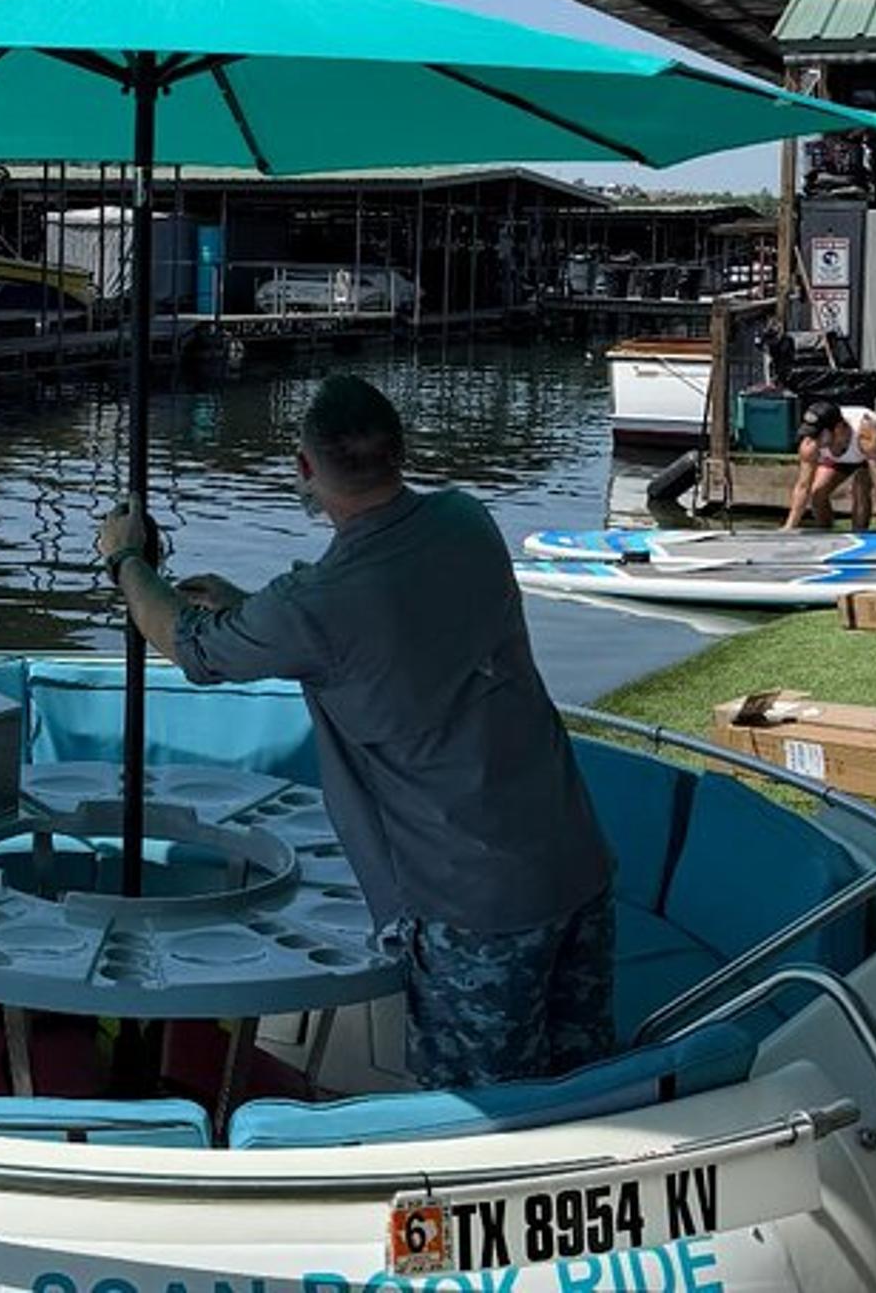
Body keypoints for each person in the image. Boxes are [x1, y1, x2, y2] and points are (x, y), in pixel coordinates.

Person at [94, 375, 615, 1089]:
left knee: (484, 1127)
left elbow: (187, 642)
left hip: (477, 910)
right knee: (584, 1089)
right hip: (574, 864)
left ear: (305, 469)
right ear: (403, 451)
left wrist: (127, 559)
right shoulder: (468, 522)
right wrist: (249, 610)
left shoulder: (317, 606)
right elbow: (391, 636)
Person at [782, 400, 876, 531]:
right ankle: (825, 531)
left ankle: (860, 533)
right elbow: (803, 486)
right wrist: (789, 526)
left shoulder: (866, 434)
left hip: (873, 449)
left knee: (860, 488)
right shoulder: (810, 444)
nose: (813, 439)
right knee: (817, 493)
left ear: (837, 429)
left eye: (818, 434)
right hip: (839, 453)